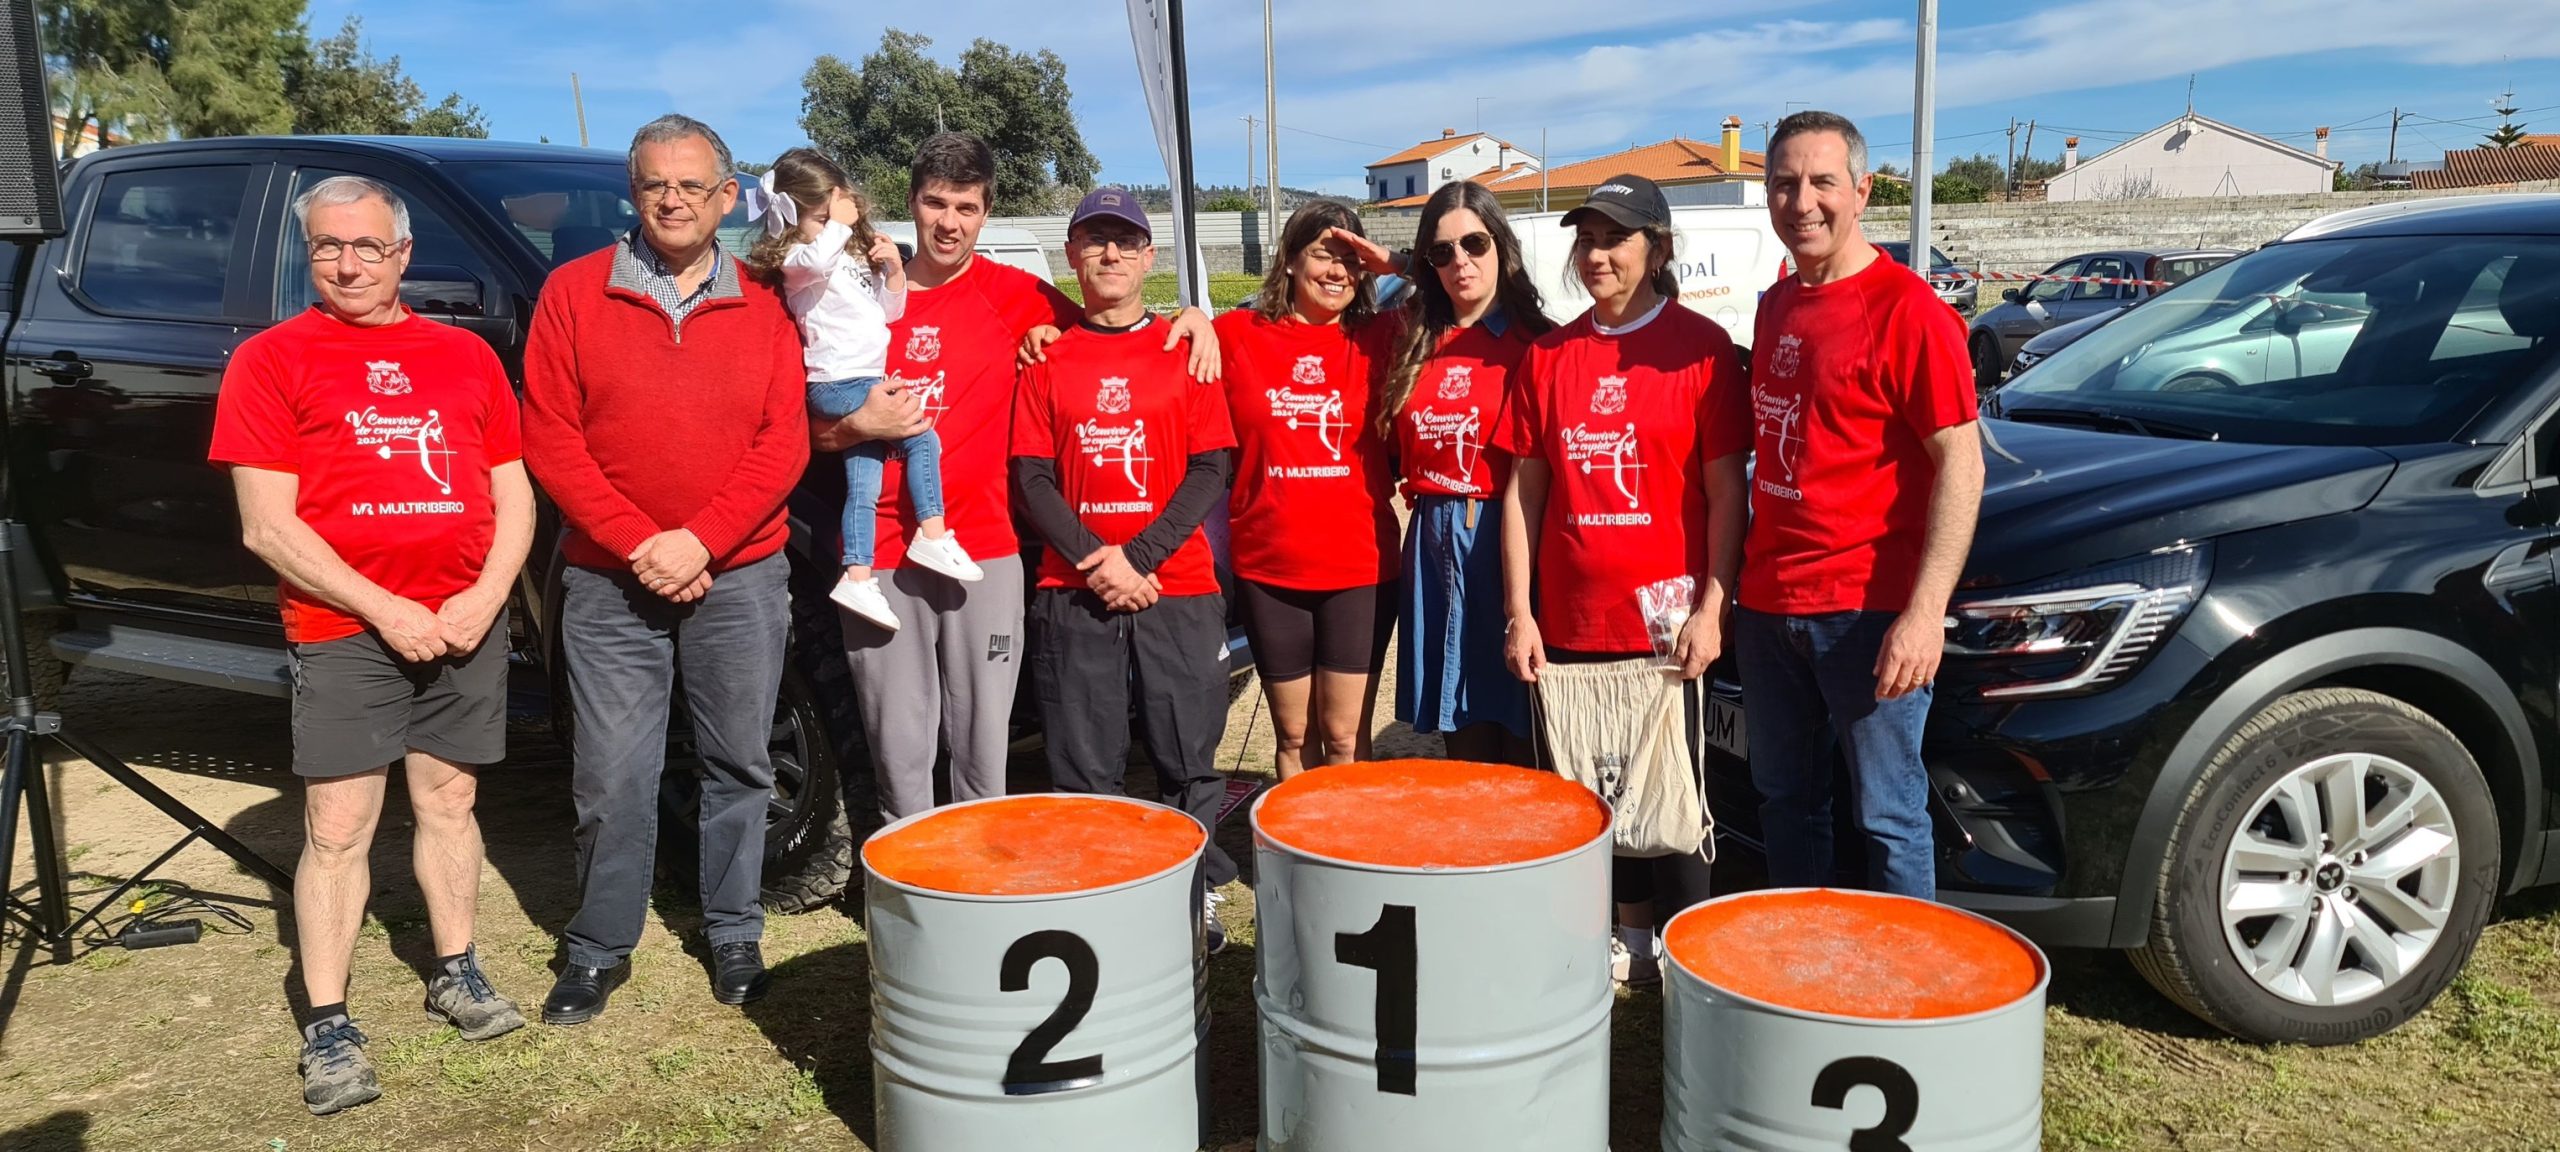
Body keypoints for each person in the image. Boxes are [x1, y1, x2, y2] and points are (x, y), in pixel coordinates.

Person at [210, 175, 535, 1114]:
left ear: (401, 255)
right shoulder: (271, 360)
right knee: (339, 826)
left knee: (451, 799)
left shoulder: (466, 357)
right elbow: (267, 529)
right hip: (347, 627)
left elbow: (513, 492)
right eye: (326, 247)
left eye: (365, 247)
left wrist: (486, 597)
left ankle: (458, 969)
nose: (346, 264)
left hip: (461, 622)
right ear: (307, 253)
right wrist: (386, 607)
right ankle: (328, 1023)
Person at [811, 132, 1219, 829]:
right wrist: (856, 429)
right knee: (900, 748)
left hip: (984, 551)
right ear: (912, 204)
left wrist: (1198, 320)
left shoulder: (1018, 295)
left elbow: (1114, 322)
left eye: (966, 207)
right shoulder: (858, 296)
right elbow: (812, 426)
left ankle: (979, 888)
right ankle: (911, 898)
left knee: (983, 749)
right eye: (935, 203)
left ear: (986, 213)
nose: (948, 221)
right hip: (878, 552)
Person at [521, 114, 809, 1023]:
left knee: (740, 764)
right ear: (633, 193)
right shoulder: (572, 293)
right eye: (656, 184)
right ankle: (600, 944)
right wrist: (641, 539)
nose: (673, 199)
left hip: (740, 574)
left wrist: (704, 540)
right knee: (611, 772)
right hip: (611, 579)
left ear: (728, 196)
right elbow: (550, 438)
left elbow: (783, 440)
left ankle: (734, 929)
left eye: (692, 184)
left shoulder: (765, 299)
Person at [1497, 174, 1749, 986]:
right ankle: (1627, 936)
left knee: (1671, 789)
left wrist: (1713, 606)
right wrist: (1519, 611)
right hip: (1571, 612)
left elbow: (1724, 494)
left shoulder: (1702, 349)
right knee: (1595, 787)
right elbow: (1524, 492)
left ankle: (1685, 946)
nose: (1597, 254)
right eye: (1587, 239)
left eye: (1617, 239)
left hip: (1667, 614)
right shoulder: (1549, 355)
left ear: (1659, 249)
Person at [1738, 111, 1983, 900]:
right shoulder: (1777, 304)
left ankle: (1905, 993)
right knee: (1787, 801)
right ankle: (1806, 968)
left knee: (1888, 816)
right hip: (1769, 603)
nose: (1801, 201)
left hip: (1867, 612)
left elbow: (1962, 464)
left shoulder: (1909, 311)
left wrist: (1923, 612)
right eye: (1783, 183)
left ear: (1862, 191)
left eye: (1821, 182)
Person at [1011, 188, 1241, 949]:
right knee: (1085, 763)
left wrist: (1138, 558)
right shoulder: (1048, 355)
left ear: (1150, 257)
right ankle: (1100, 900)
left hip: (1176, 587)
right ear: (1073, 256)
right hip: (1071, 593)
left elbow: (1210, 467)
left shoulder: (1185, 348)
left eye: (1124, 241)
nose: (1110, 254)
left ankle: (1194, 894)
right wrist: (1092, 560)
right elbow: (1033, 479)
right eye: (1094, 241)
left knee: (1187, 759)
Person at [1335, 181, 1551, 765]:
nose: (1461, 262)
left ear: (1501, 245)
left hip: (1508, 539)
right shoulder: (1410, 335)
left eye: (1475, 244)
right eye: (1441, 251)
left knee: (1522, 720)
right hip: (1432, 539)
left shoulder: (1541, 343)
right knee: (1460, 724)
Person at [743, 148, 980, 633]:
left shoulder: (840, 256)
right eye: (820, 216)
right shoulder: (800, 259)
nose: (833, 224)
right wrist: (840, 224)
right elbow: (815, 256)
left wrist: (893, 273)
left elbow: (887, 315)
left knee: (864, 487)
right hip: (837, 383)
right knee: (922, 438)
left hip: (864, 378)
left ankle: (856, 574)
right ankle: (933, 532)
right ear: (793, 217)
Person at [1214, 201, 1401, 779]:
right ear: (1290, 260)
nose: (1338, 270)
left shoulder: (1384, 336)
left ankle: (1347, 860)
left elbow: (1464, 295)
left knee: (1345, 736)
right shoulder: (1236, 334)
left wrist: (1395, 261)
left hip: (1360, 569)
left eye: (1351, 258)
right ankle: (1297, 863)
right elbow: (1142, 346)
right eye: (1324, 253)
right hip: (1271, 569)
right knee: (1295, 737)